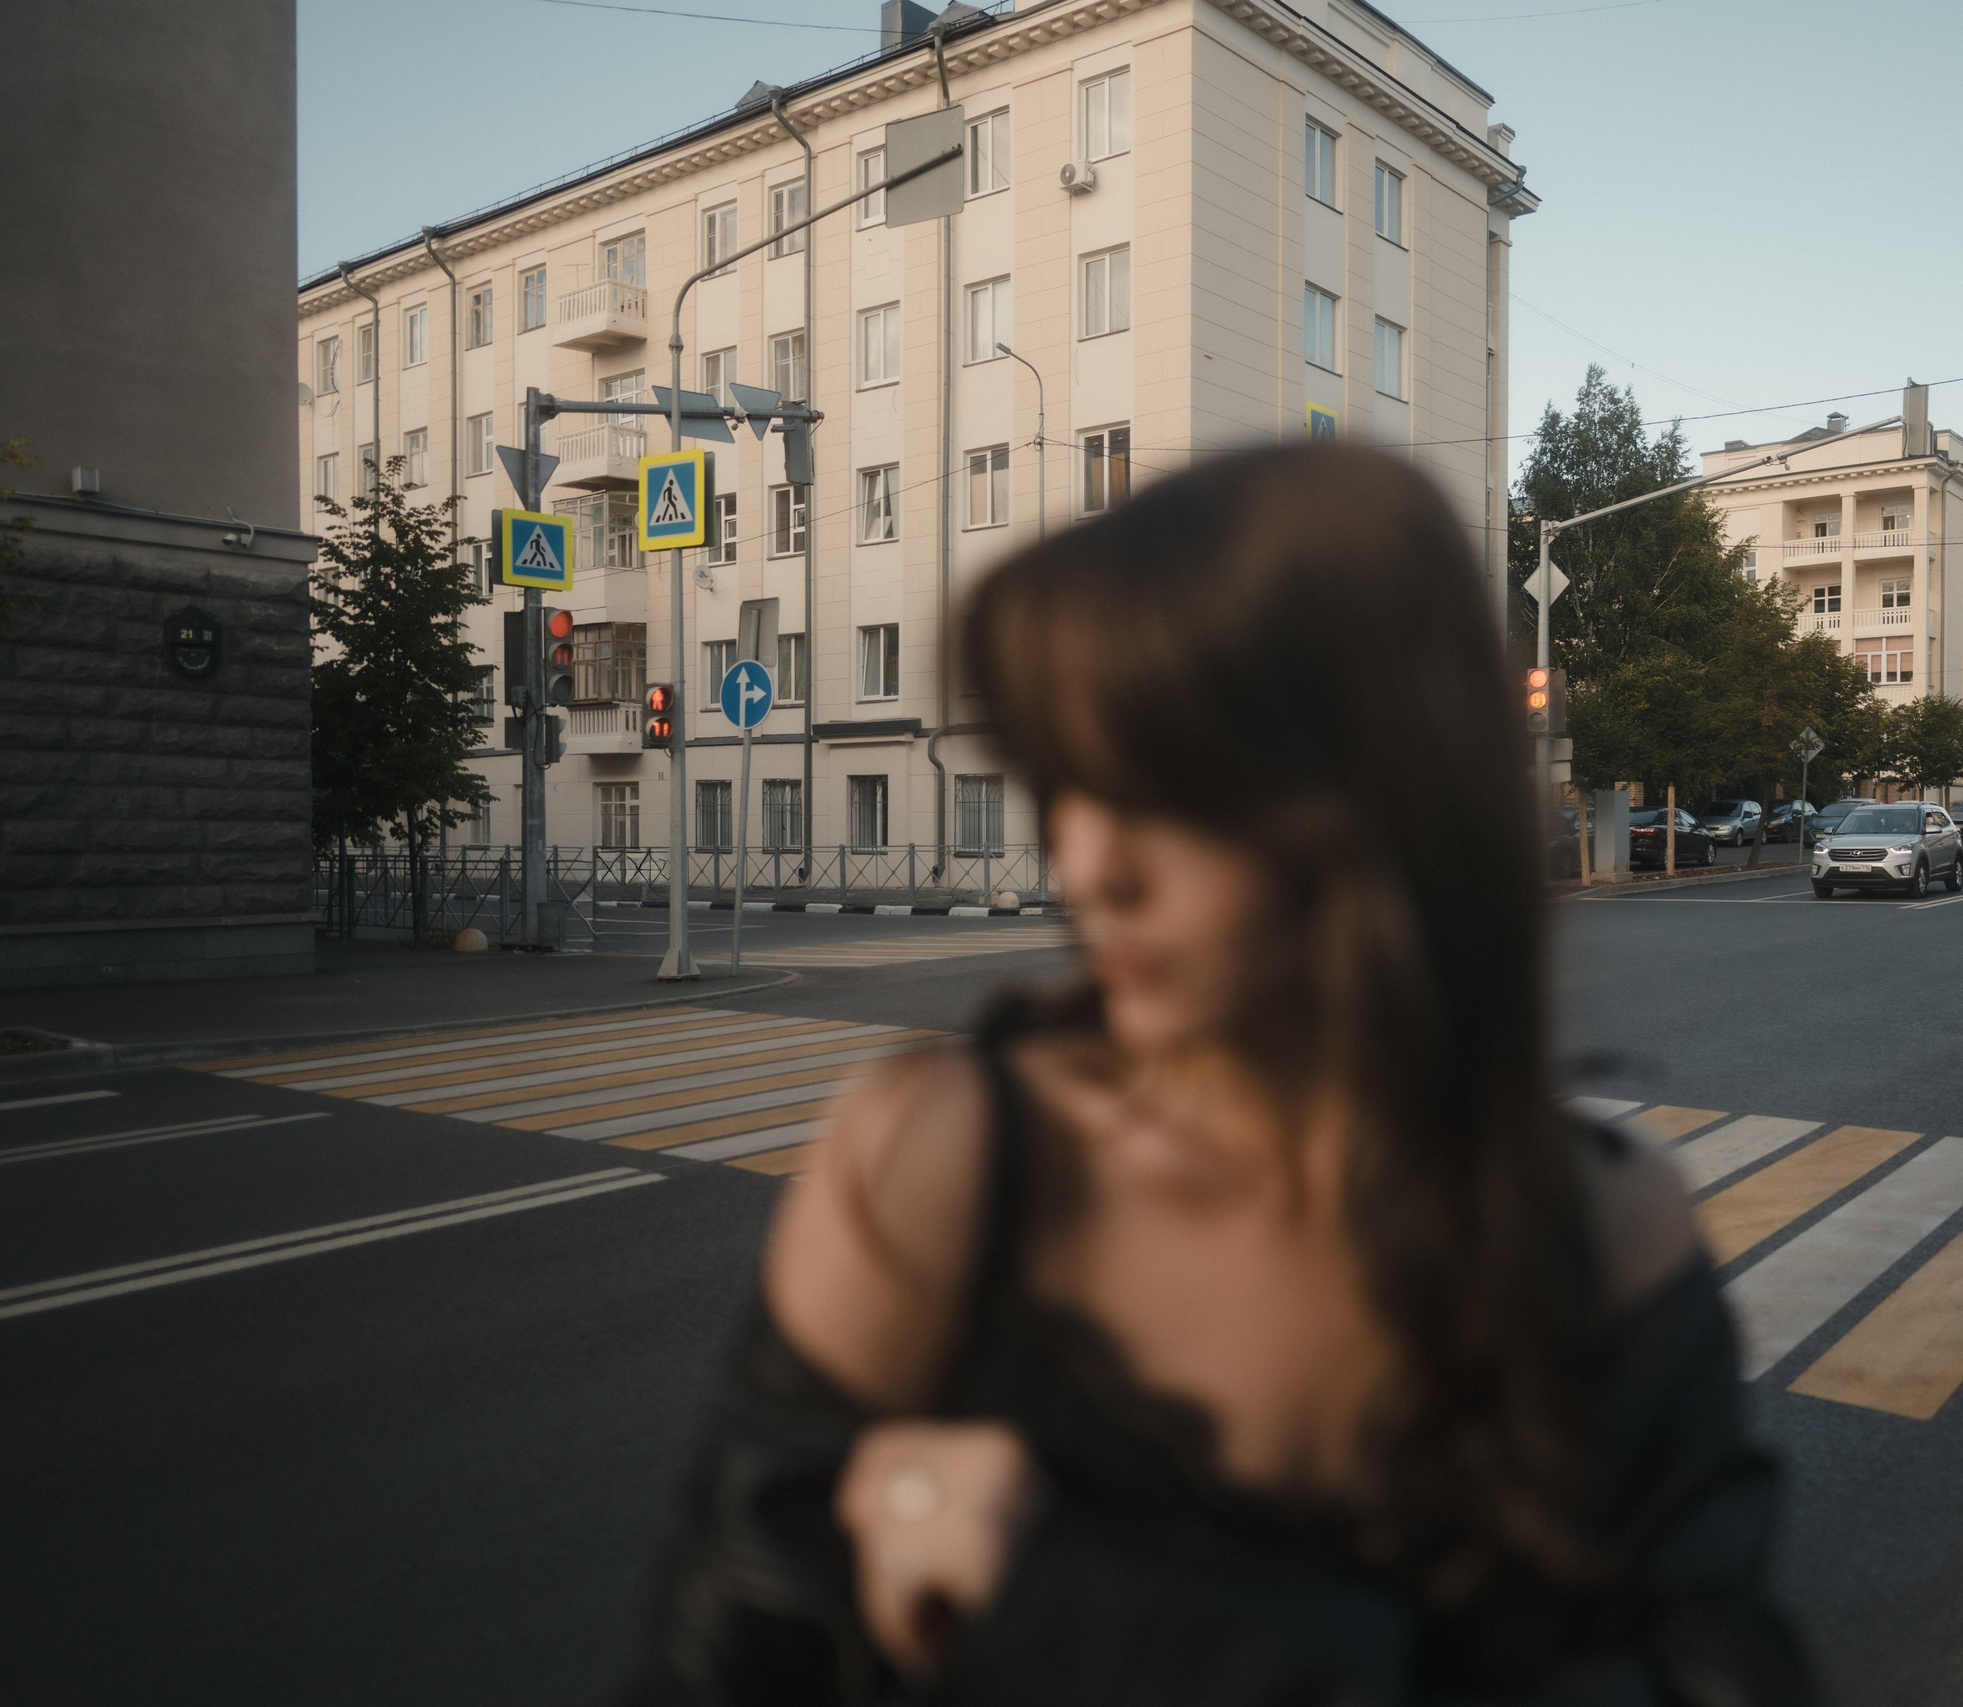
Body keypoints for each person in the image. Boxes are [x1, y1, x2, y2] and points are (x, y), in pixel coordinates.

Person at [618, 445, 1809, 1706]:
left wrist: (1088, 1610)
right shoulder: (946, 1165)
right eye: (1067, 785)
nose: (1090, 869)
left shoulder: (1606, 1235)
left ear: (1380, 799)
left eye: (1164, 796)